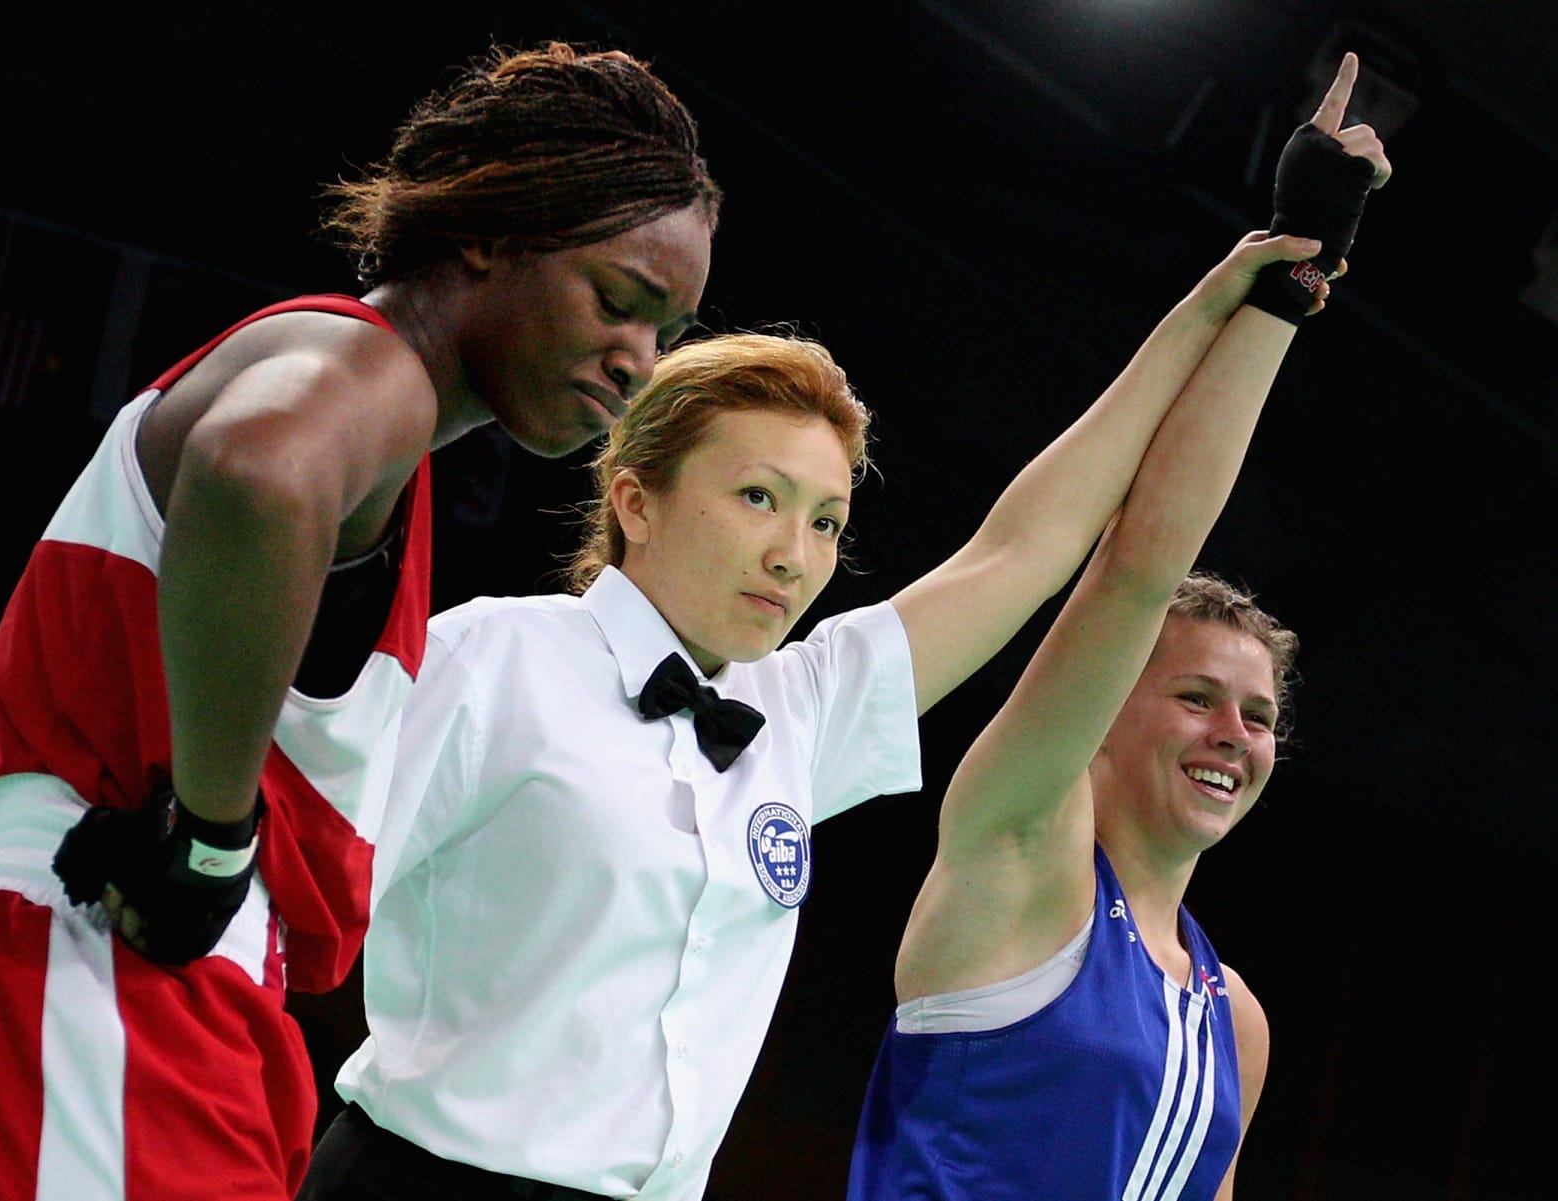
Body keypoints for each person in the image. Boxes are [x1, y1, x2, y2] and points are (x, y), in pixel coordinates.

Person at [294, 54, 1385, 1201]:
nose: (793, 553)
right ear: (637, 496)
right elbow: (288, 889)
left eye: (825, 520)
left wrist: (1239, 289)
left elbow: (1034, 547)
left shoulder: (794, 712)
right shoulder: (491, 658)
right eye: (758, 497)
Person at [0, 41, 718, 1201]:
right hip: (95, 1007)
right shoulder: (366, 367)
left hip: (68, 1005)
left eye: (665, 333)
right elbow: (259, 471)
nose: (637, 359)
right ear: (490, 230)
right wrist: (210, 836)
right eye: (618, 301)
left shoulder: (351, 396)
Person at [845, 55, 1391, 1201]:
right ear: (1102, 710)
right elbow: (1138, 566)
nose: (1233, 734)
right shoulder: (1015, 854)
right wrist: (1289, 283)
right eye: (1196, 695)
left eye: (1256, 716)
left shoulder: (1233, 1021)